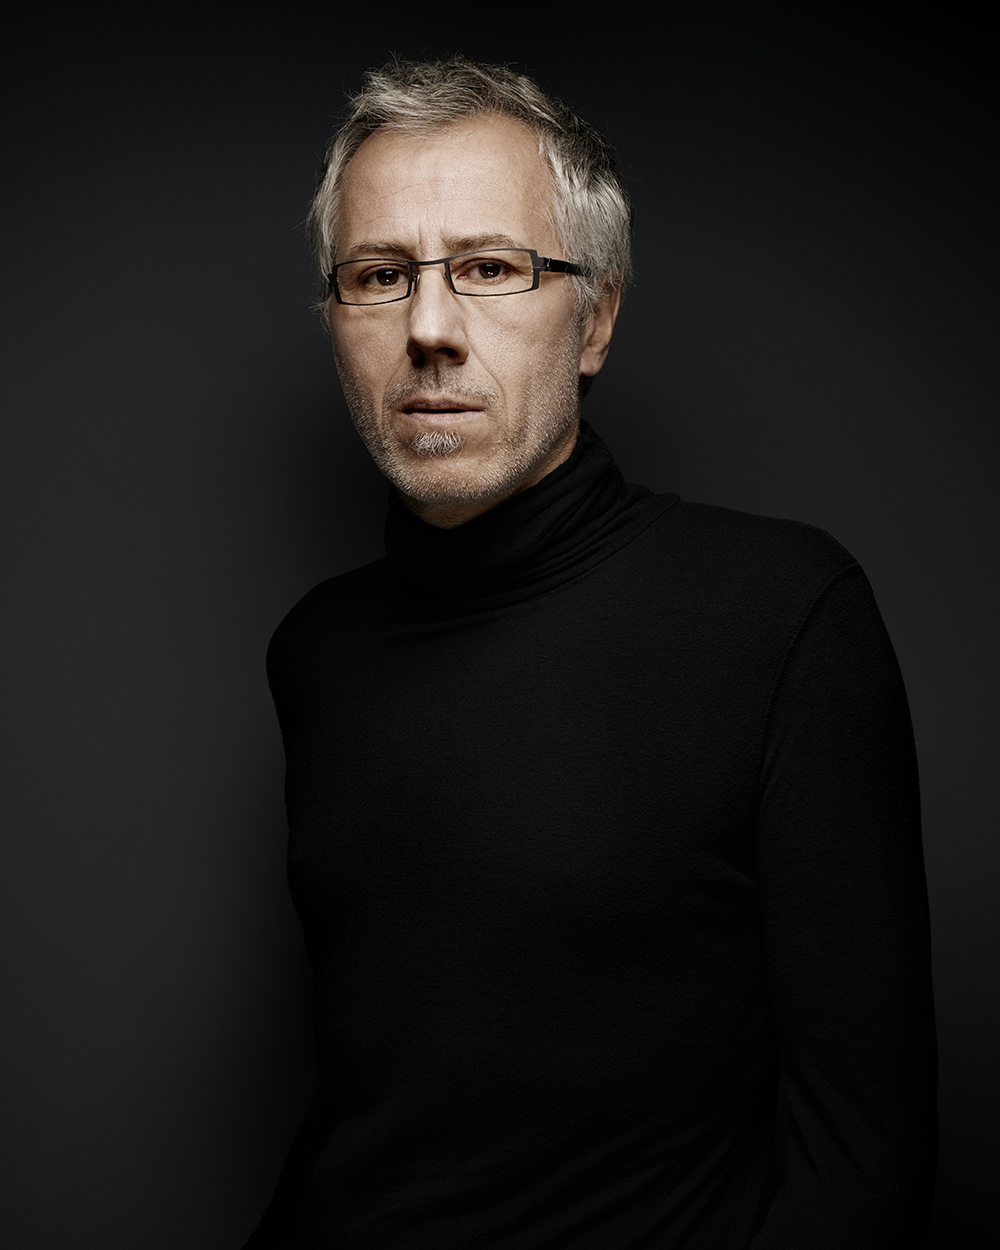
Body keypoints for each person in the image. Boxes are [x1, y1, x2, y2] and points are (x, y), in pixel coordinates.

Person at [245, 57, 937, 1249]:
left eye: (488, 267)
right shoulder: (318, 648)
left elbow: (860, 1155)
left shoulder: (780, 612)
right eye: (378, 276)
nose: (427, 329)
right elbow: (383, 1098)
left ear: (596, 319)